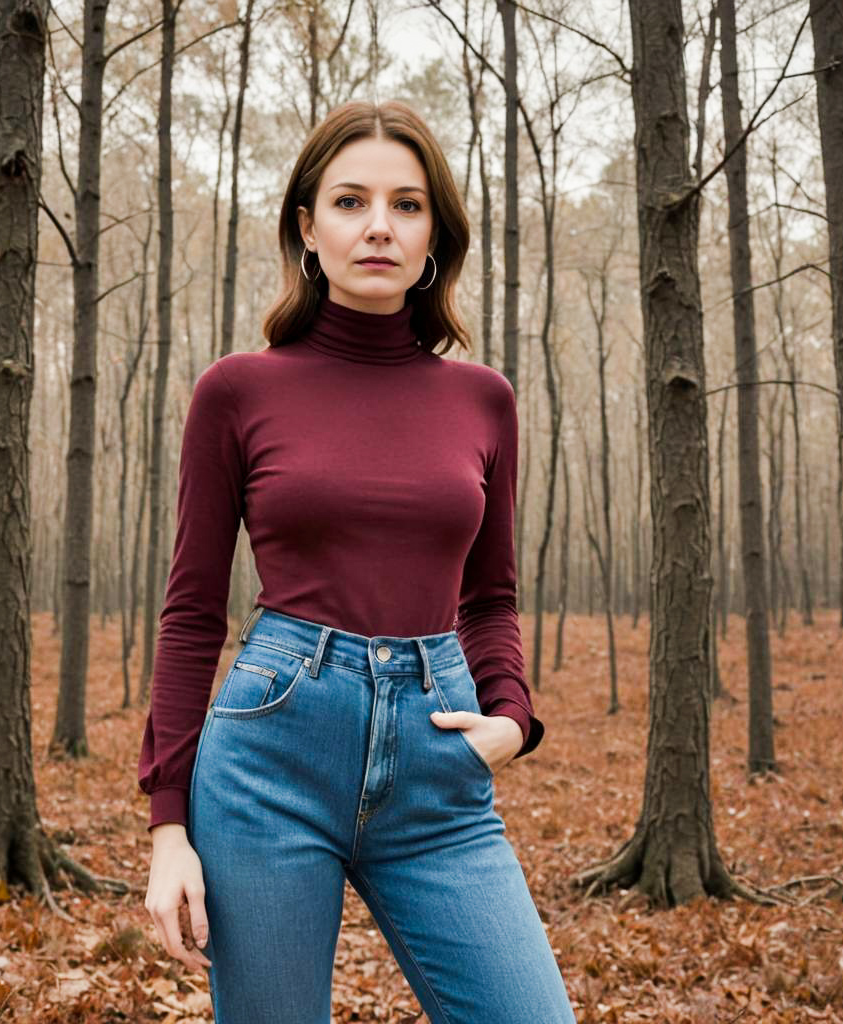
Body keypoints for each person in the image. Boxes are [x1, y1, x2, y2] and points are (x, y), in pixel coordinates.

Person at [140, 99, 576, 1024]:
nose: (379, 225)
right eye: (350, 201)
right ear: (308, 227)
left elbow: (490, 596)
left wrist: (513, 716)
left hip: (439, 774)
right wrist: (169, 828)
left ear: (434, 237)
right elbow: (191, 615)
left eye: (407, 205)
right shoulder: (238, 392)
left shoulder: (482, 400)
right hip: (268, 764)